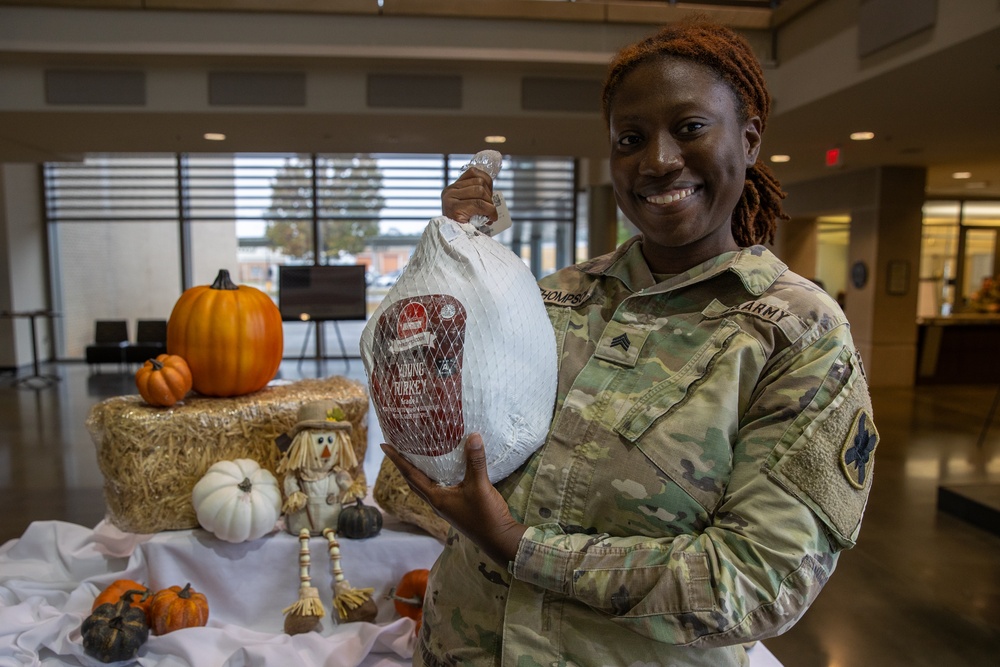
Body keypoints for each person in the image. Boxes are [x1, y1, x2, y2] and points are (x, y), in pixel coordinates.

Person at [382, 18, 878, 667]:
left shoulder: (794, 335)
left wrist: (517, 543)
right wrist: (448, 260)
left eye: (690, 127)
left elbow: (758, 582)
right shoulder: (551, 300)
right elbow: (415, 443)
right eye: (630, 138)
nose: (659, 159)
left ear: (750, 138)